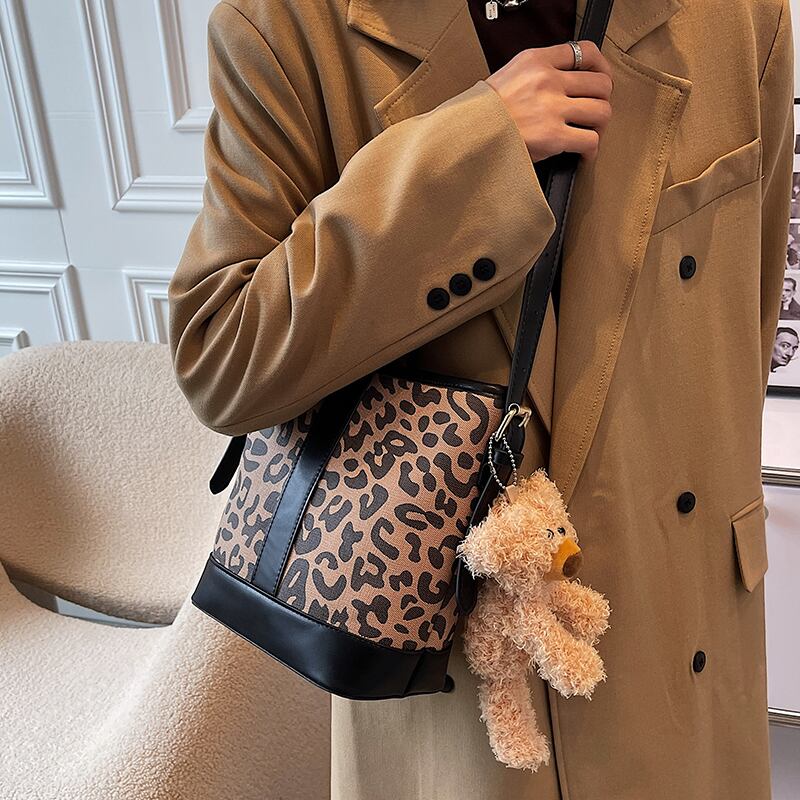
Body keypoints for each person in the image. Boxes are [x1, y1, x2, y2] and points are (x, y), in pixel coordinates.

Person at [167, 0, 795, 798]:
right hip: (455, 675)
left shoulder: (738, 15)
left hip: (676, 634)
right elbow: (222, 356)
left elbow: (745, 330)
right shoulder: (287, 26)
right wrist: (474, 153)